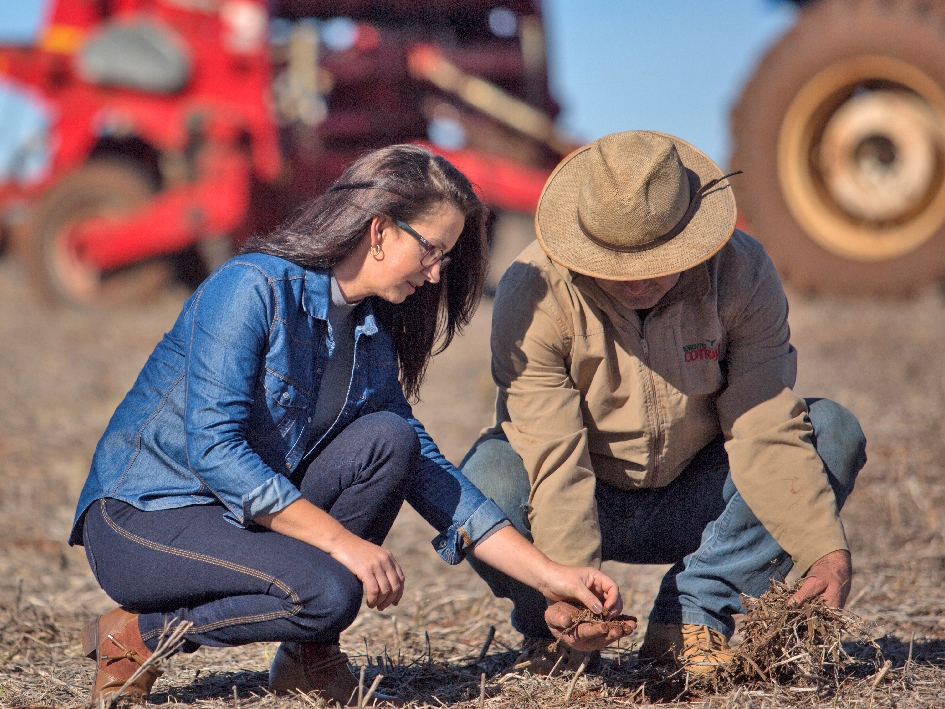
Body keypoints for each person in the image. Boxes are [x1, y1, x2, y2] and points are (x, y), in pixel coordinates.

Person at [69, 145, 629, 706]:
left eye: (446, 260)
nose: (435, 276)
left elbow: (431, 477)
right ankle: (135, 636)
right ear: (380, 231)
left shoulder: (366, 333)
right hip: (143, 518)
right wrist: (344, 546)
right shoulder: (251, 288)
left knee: (391, 439)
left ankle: (303, 661)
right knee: (329, 592)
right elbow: (216, 451)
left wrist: (550, 576)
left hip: (231, 518)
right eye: (431, 250)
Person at [460, 131, 867, 675]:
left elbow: (765, 423)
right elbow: (552, 458)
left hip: (701, 499)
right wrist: (572, 589)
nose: (636, 281)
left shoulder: (741, 272)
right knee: (488, 480)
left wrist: (823, 548)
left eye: (657, 260)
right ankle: (556, 635)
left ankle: (692, 615)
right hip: (583, 495)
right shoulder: (533, 291)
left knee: (832, 432)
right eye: (616, 263)